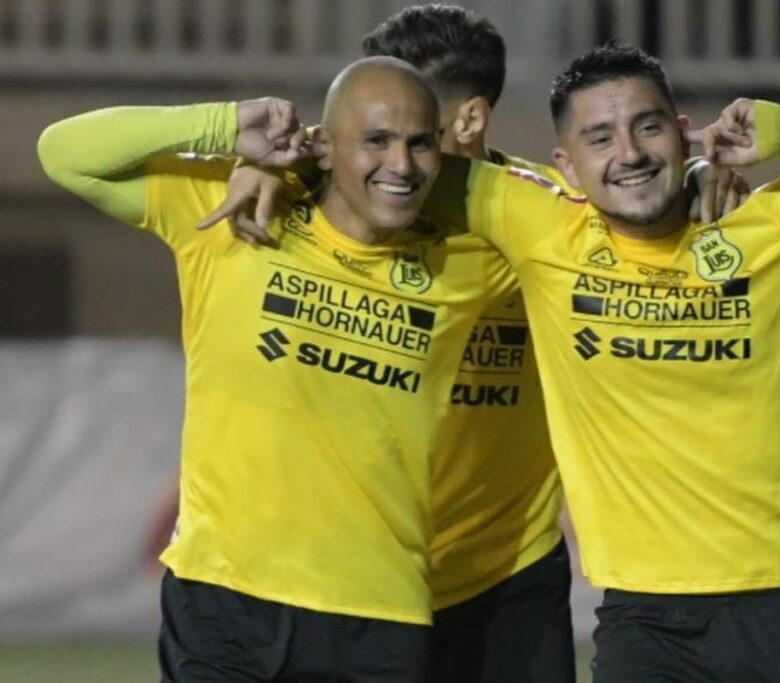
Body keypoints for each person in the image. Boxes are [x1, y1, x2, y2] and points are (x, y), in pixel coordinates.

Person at [198, 7, 749, 683]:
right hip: (368, 583)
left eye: (417, 125)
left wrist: (695, 176)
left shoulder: (539, 223)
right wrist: (274, 173)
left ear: (466, 121)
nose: (394, 151)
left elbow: (637, 202)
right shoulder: (326, 212)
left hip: (504, 579)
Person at [423, 44, 780, 681]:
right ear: (565, 167)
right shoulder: (539, 227)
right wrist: (274, 162)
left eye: (647, 126)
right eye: (600, 138)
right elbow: (376, 160)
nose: (628, 152)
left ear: (684, 135)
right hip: (644, 620)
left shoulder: (772, 225)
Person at [38, 57, 517, 682]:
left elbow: (584, 217)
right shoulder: (228, 212)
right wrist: (230, 128)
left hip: (377, 612)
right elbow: (63, 152)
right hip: (222, 600)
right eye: (376, 140)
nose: (400, 164)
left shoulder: (472, 256)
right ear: (327, 144)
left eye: (418, 143)